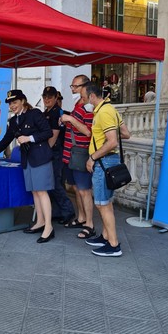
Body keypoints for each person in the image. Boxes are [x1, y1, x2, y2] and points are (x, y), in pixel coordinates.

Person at [0, 89, 55, 243]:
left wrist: (29, 138)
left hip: (40, 158)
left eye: (15, 102)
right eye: (10, 104)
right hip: (27, 159)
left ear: (23, 101)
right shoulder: (14, 121)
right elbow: (5, 140)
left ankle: (49, 227)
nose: (12, 106)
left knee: (42, 192)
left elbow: (47, 132)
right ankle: (40, 221)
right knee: (35, 192)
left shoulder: (34, 114)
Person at [84, 82, 130, 257]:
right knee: (107, 202)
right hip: (109, 161)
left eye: (84, 98)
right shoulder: (110, 109)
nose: (84, 102)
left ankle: (113, 244)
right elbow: (125, 133)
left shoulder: (103, 112)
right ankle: (105, 236)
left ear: (92, 96)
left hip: (103, 162)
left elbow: (113, 142)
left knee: (102, 204)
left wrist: (93, 157)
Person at [60, 75, 96, 239]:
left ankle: (89, 224)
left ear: (85, 86)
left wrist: (70, 119)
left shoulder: (89, 106)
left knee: (84, 190)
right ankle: (81, 217)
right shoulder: (78, 104)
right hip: (70, 154)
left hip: (80, 153)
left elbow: (88, 131)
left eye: (75, 86)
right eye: (72, 86)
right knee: (75, 188)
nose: (73, 89)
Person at [42, 86, 75, 224]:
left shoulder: (57, 112)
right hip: (50, 151)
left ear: (56, 98)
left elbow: (53, 137)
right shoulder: (46, 112)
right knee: (52, 183)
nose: (47, 99)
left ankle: (68, 211)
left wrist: (44, 152)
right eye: (45, 97)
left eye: (50, 97)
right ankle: (56, 212)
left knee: (55, 182)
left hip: (55, 151)